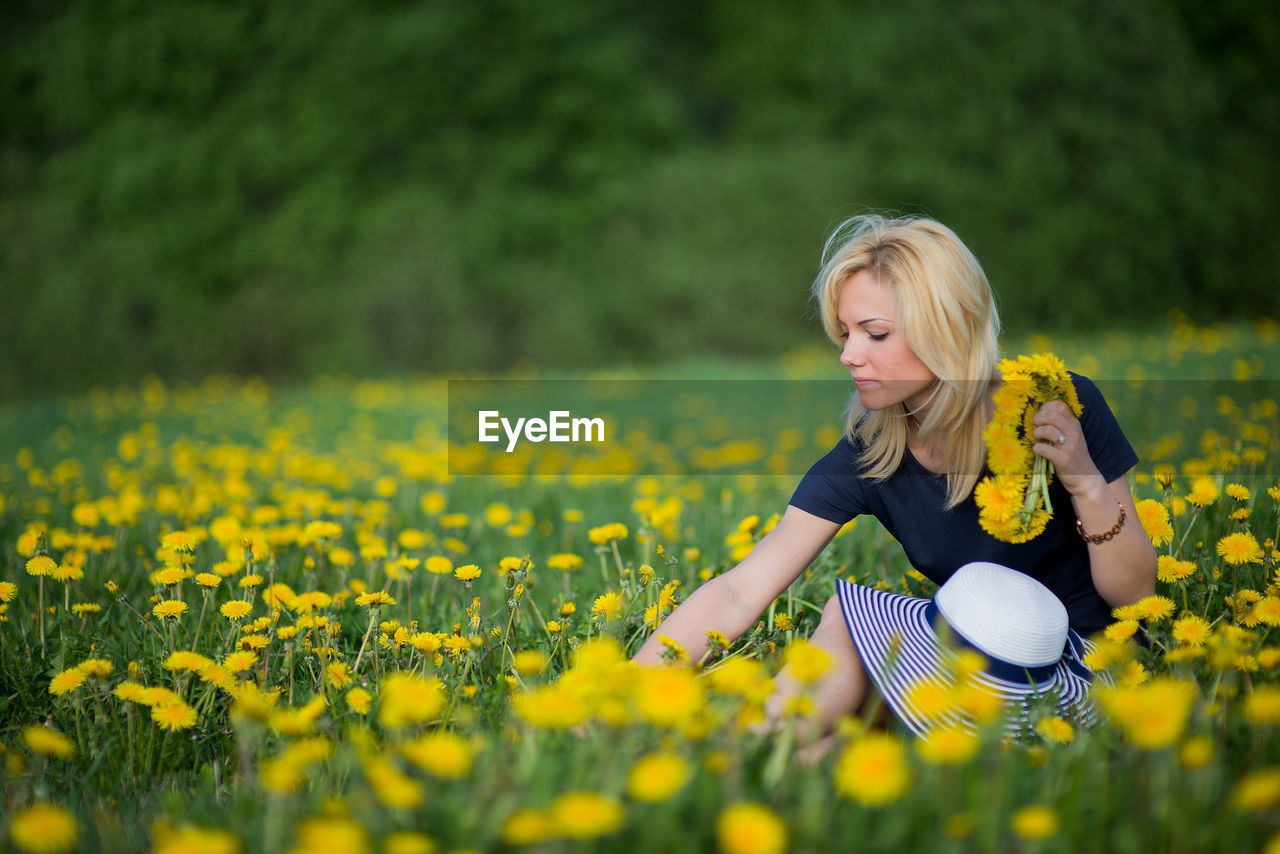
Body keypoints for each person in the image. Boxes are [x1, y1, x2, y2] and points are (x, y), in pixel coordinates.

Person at [633, 214, 1157, 740]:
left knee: (857, 719)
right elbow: (741, 591)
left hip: (1087, 672)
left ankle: (792, 752)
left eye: (875, 334)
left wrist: (1084, 480)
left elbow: (1134, 593)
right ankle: (767, 748)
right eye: (845, 333)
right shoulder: (874, 450)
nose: (848, 355)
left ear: (947, 329)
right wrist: (628, 692)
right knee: (847, 614)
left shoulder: (1058, 406)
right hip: (965, 665)